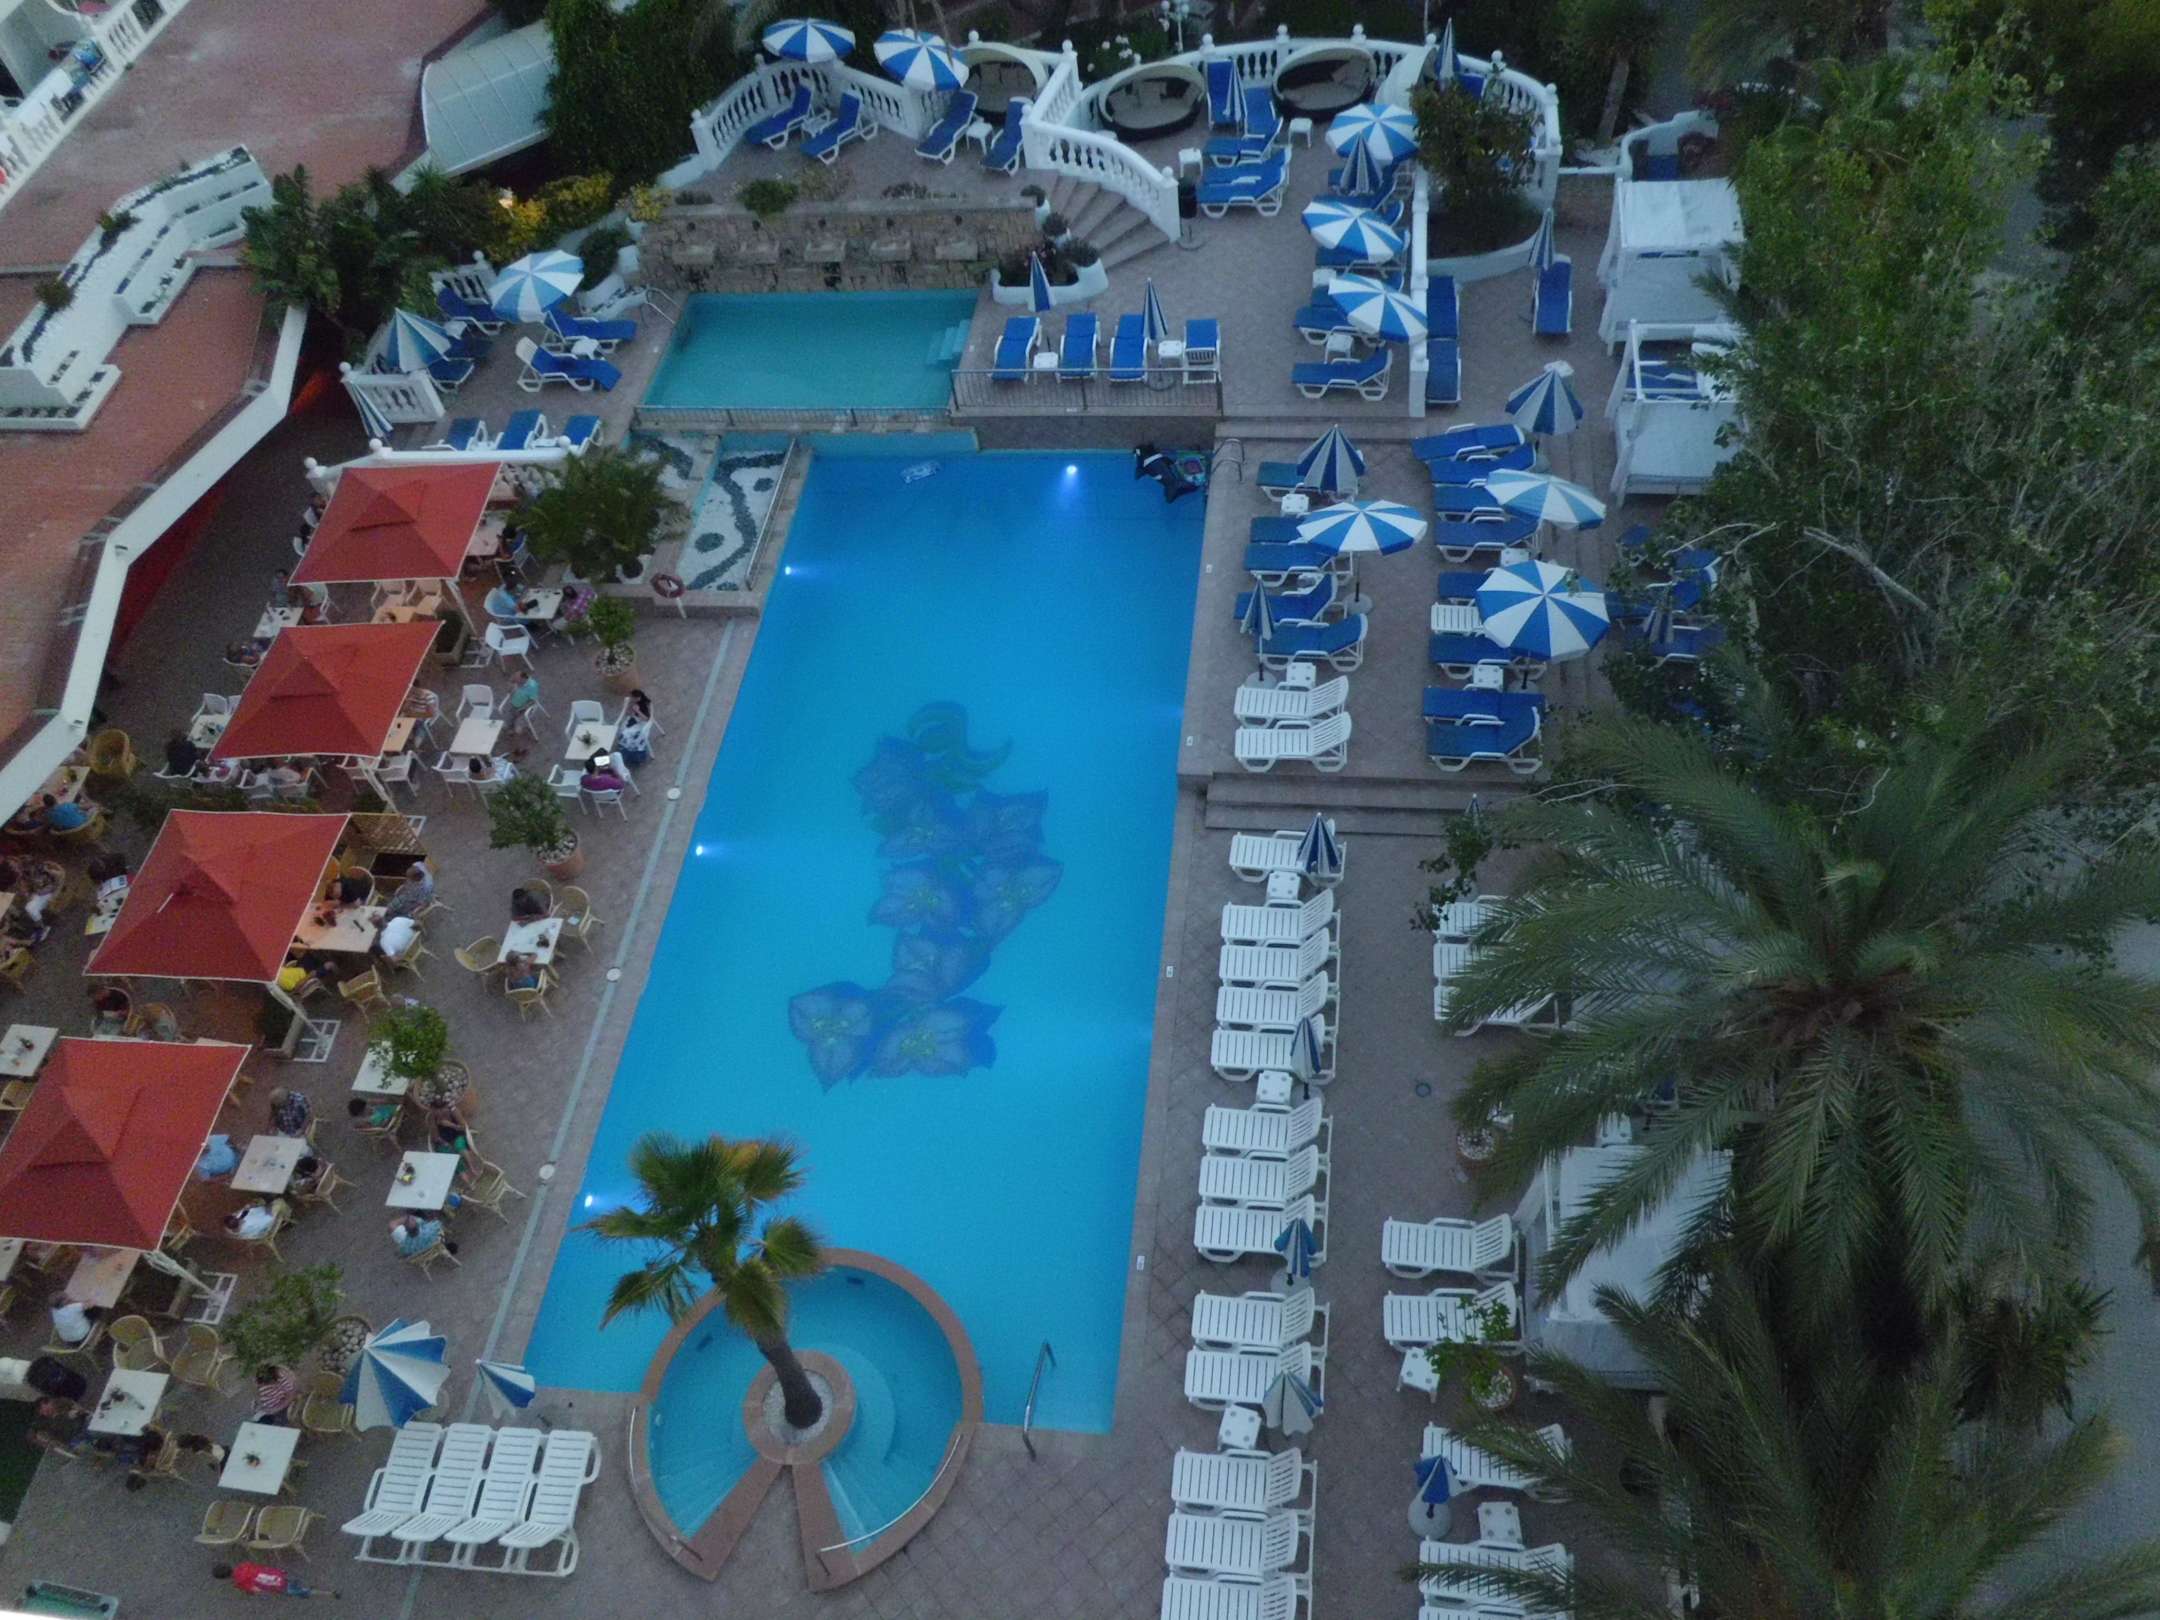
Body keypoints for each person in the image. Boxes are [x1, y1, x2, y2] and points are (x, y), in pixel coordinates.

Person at [209, 1562, 338, 1599]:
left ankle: (330, 1594)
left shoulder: (240, 1583)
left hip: (280, 1586)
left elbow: (256, 1590)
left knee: (304, 1592)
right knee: (298, 1580)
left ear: (224, 1578)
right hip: (279, 1574)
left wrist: (249, 1592)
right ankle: (311, 1584)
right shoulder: (244, 1565)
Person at [390, 1214, 456, 1260]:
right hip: (428, 1246)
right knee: (412, 1218)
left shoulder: (407, 1245)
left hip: (420, 1252)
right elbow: (438, 1223)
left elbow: (402, 1254)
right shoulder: (430, 1232)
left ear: (406, 1231)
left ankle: (407, 1217)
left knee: (394, 1224)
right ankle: (408, 1218)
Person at [617, 692, 655, 768]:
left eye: (634, 698)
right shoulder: (632, 703)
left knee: (637, 739)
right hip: (636, 721)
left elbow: (647, 719)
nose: (632, 699)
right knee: (625, 734)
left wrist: (637, 711)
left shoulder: (646, 704)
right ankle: (626, 753)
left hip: (644, 723)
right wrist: (631, 711)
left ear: (639, 697)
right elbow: (629, 714)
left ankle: (636, 757)